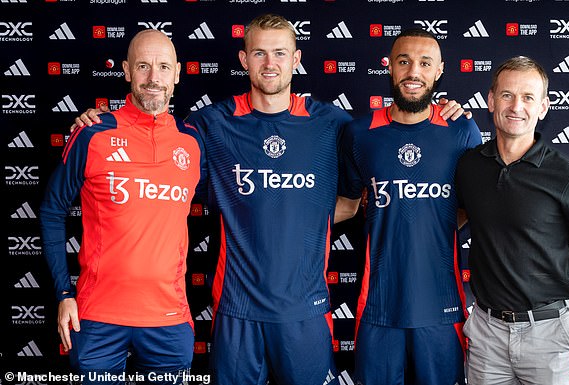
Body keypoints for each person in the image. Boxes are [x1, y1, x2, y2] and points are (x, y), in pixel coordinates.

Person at [72, 14, 466, 385]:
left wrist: (444, 112)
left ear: (296, 59)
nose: (270, 63)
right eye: (259, 53)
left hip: (305, 312)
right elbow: (152, 138)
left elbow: (366, 186)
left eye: (279, 53)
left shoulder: (335, 126)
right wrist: (99, 122)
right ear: (244, 59)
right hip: (236, 311)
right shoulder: (210, 125)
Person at [40, 29, 206, 384]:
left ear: (177, 74)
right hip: (98, 315)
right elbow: (53, 211)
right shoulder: (93, 133)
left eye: (163, 67)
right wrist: (63, 293)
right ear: (127, 71)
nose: (153, 78)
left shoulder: (192, 143)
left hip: (169, 317)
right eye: (143, 66)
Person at [454, 55, 569, 385]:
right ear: (491, 100)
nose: (516, 107)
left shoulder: (566, 174)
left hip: (549, 335)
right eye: (507, 95)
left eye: (528, 97)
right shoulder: (469, 166)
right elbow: (451, 218)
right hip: (486, 333)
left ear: (543, 107)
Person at [336, 29, 481, 385]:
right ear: (390, 68)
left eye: (424, 63)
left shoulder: (460, 130)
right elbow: (348, 205)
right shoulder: (360, 133)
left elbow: (476, 206)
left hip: (441, 305)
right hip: (379, 305)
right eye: (404, 61)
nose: (413, 71)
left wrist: (438, 221)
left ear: (439, 71)